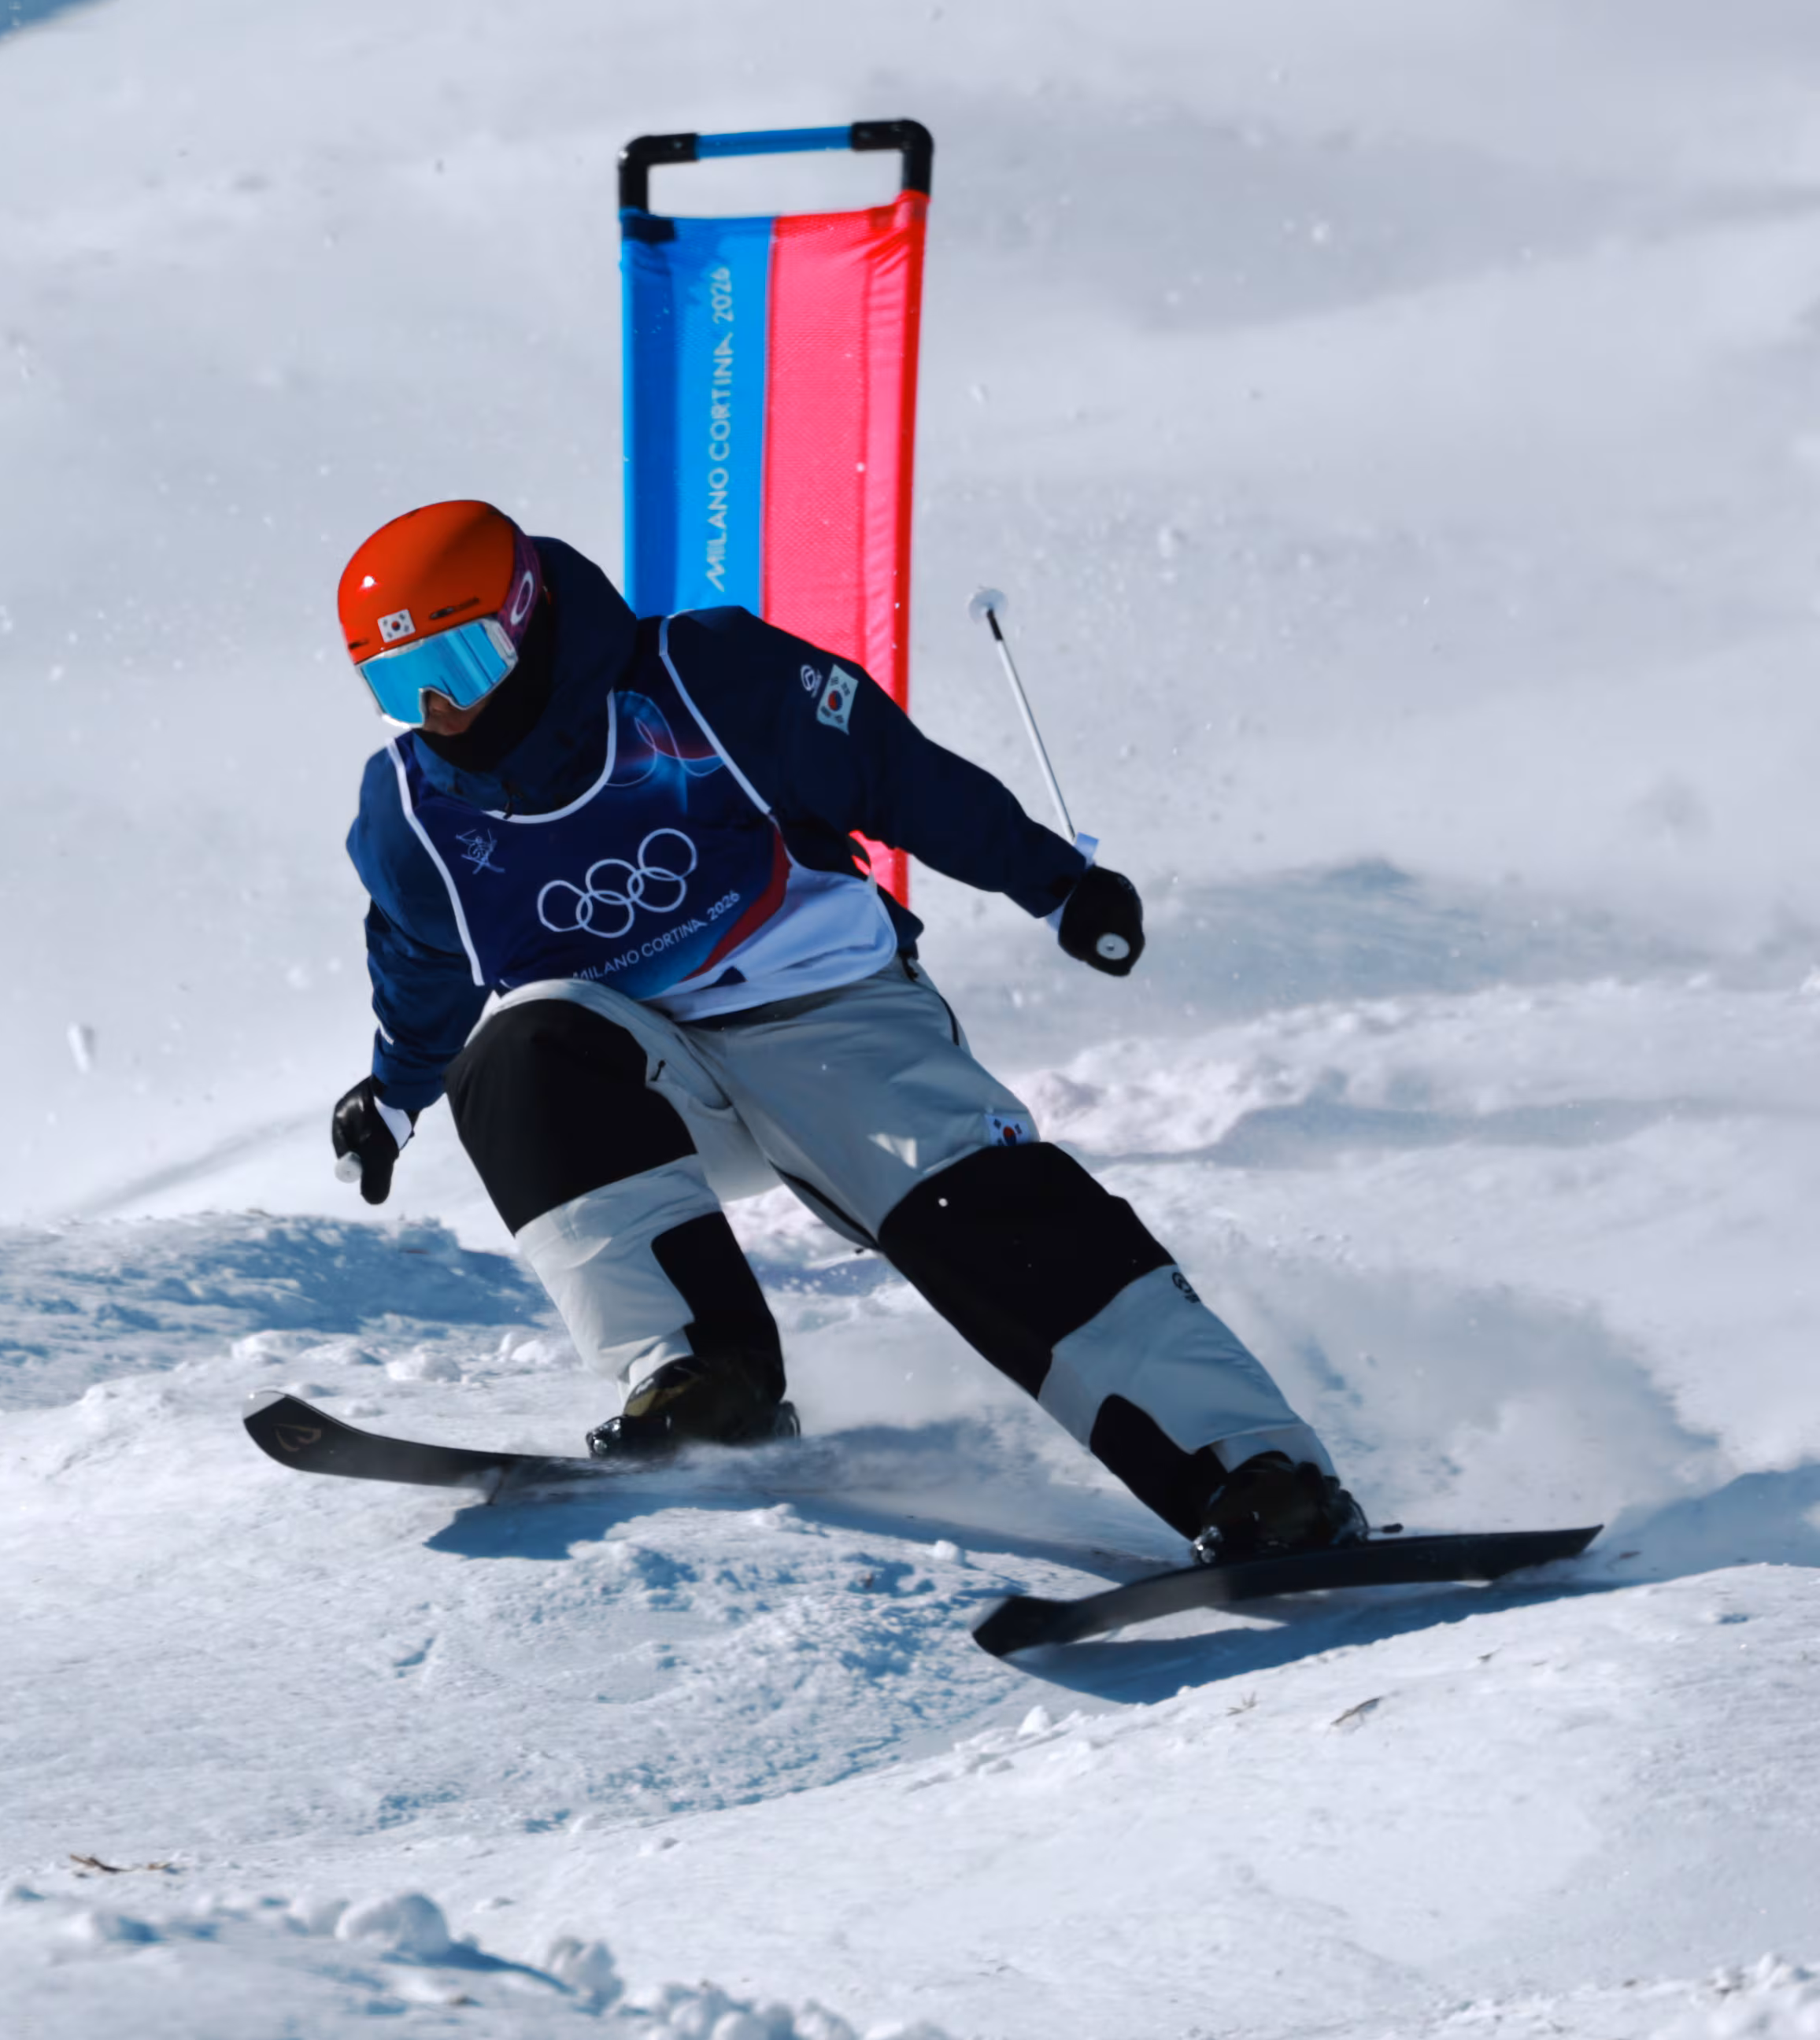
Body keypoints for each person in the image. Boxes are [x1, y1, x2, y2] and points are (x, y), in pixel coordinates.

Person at [326, 499, 1359, 1564]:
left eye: (459, 658)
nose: (442, 708)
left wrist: (1057, 884)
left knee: (982, 1218)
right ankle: (702, 1380)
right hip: (652, 1077)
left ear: (527, 613)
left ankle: (1256, 1474)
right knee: (514, 1055)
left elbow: (897, 775)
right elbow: (424, 968)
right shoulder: (412, 814)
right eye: (401, 687)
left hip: (835, 1020)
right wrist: (394, 1097)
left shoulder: (699, 679)